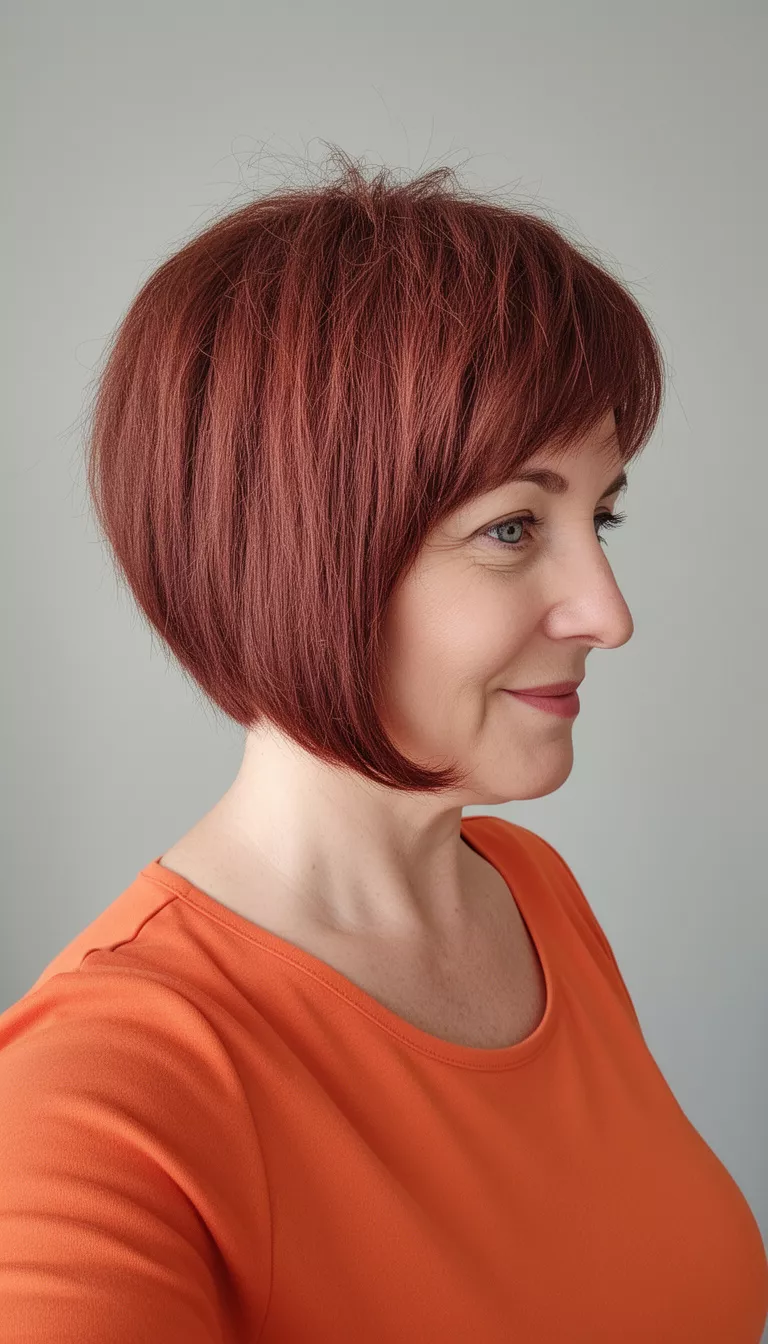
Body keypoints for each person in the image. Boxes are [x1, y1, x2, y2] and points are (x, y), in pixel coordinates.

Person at [1, 148, 766, 1343]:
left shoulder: (533, 899)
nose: (609, 612)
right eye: (514, 527)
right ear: (297, 557)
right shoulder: (100, 1095)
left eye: (599, 517)